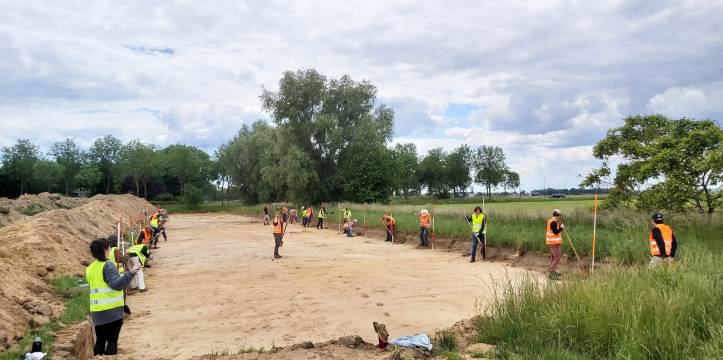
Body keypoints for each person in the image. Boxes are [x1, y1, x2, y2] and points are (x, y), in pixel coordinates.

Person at [86, 238, 140, 356]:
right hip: (112, 312)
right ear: (105, 249)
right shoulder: (108, 265)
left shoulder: (89, 268)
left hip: (97, 312)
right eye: (109, 248)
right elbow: (116, 285)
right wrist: (131, 272)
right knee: (112, 341)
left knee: (100, 341)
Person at [546, 209, 564, 279]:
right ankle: (551, 273)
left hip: (555, 242)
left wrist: (559, 226)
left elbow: (555, 230)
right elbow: (555, 232)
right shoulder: (553, 222)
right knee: (557, 257)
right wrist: (561, 228)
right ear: (558, 215)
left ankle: (552, 271)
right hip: (552, 242)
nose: (560, 217)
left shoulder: (553, 221)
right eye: (560, 216)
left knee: (553, 257)